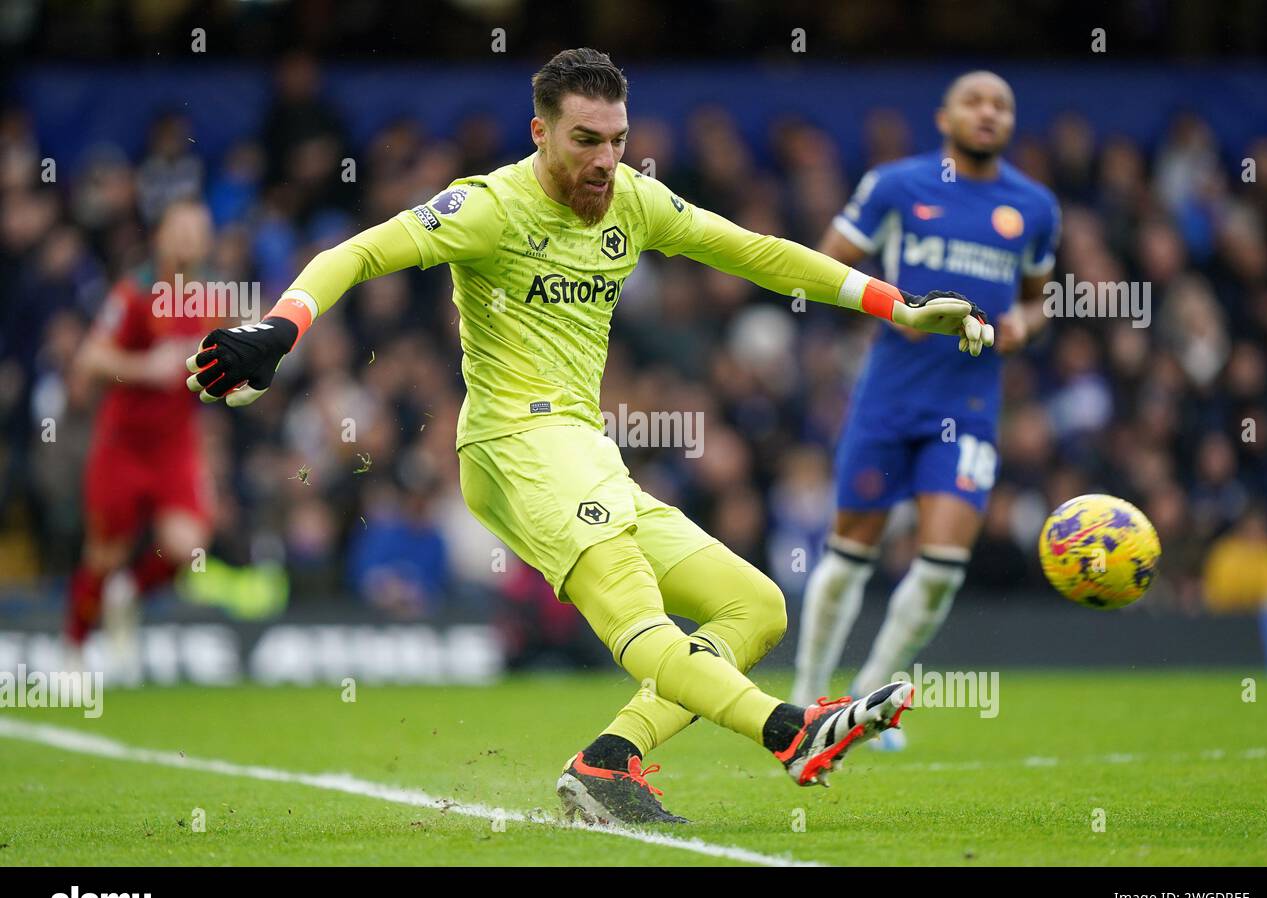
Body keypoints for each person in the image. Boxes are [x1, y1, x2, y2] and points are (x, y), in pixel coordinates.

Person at [185, 49, 994, 825]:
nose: (607, 161)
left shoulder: (634, 201)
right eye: (586, 141)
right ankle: (789, 730)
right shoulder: (488, 207)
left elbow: (759, 255)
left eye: (618, 141)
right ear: (540, 134)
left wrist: (900, 305)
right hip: (512, 442)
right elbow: (357, 252)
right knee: (639, 616)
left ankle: (608, 762)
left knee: (755, 606)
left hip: (582, 447)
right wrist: (281, 327)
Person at [791, 72, 1060, 751]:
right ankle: (803, 696)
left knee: (940, 568)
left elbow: (1037, 298)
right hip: (887, 399)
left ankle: (868, 703)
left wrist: (1028, 323)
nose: (989, 113)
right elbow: (826, 266)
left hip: (969, 407)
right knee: (849, 555)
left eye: (1002, 104)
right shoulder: (895, 185)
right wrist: (894, 306)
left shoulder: (1033, 207)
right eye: (975, 101)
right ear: (944, 117)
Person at [67, 199, 218, 673]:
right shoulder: (134, 293)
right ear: (162, 236)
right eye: (183, 228)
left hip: (174, 445)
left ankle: (129, 591)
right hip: (123, 442)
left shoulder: (212, 301)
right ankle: (74, 649)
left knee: (188, 546)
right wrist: (143, 368)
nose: (191, 238)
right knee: (104, 553)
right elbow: (90, 358)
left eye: (199, 229)